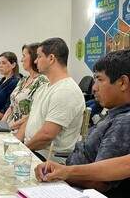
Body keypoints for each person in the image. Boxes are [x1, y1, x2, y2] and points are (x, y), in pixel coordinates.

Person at [35, 49, 130, 195]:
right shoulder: (114, 113)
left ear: (123, 83)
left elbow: (100, 182)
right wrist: (64, 171)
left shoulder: (124, 122)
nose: (94, 88)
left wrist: (63, 173)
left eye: (99, 79)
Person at [19, 38, 85, 163]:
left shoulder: (66, 91)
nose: (35, 61)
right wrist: (17, 143)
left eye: (38, 56)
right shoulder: (46, 86)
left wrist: (22, 151)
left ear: (51, 58)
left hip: (48, 160)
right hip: (35, 151)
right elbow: (32, 118)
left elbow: (47, 136)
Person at [1, 43, 48, 136]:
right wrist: (1, 125)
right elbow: (12, 106)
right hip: (9, 127)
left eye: (24, 56)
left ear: (34, 57)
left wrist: (10, 127)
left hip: (22, 132)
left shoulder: (42, 81)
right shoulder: (23, 80)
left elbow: (33, 115)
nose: (21, 60)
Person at [0, 52, 20, 120]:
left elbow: (7, 108)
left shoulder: (15, 82)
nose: (0, 65)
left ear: (13, 65)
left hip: (2, 120)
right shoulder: (2, 80)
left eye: (4, 63)